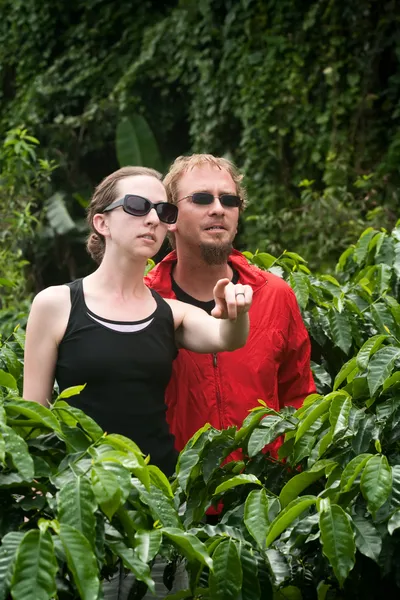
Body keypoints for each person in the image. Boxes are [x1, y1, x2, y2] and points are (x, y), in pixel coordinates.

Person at [23, 166, 253, 479]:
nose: (153, 219)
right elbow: (34, 416)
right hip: (81, 490)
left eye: (163, 210)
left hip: (157, 491)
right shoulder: (56, 305)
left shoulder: (171, 314)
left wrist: (235, 311)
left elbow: (228, 337)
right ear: (102, 222)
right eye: (136, 206)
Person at [145, 154, 316, 460]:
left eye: (229, 200)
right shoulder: (144, 301)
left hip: (264, 494)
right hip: (174, 495)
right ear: (169, 217)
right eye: (200, 198)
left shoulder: (276, 294)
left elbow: (300, 397)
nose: (218, 209)